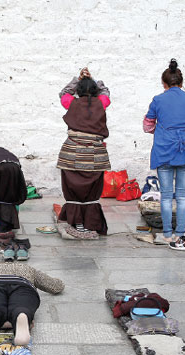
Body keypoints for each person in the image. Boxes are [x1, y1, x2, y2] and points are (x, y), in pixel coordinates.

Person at [143, 59, 185, 250]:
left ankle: (167, 235)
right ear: (181, 82)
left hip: (164, 150)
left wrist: (160, 130)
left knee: (165, 196)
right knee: (182, 196)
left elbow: (147, 125)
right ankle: (180, 234)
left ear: (164, 83)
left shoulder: (158, 100)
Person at [57, 67, 112, 235]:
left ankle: (77, 222)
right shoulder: (101, 103)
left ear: (78, 91)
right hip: (94, 153)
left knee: (73, 188)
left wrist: (78, 79)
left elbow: (64, 93)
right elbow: (106, 92)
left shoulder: (71, 102)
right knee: (92, 190)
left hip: (71, 152)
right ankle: (90, 222)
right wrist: (92, 80)